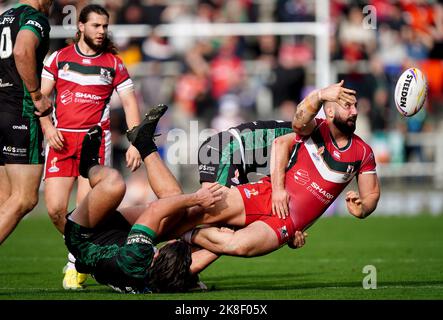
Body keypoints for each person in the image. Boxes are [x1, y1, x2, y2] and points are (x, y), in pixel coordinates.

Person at [149, 81, 380, 262]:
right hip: (267, 194)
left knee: (238, 245)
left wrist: (363, 208)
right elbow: (292, 129)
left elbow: (371, 195)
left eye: (355, 106)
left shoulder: (363, 153)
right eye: (347, 106)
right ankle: (139, 237)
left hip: (288, 223)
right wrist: (319, 95)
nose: (354, 111)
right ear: (329, 112)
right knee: (199, 211)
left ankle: (180, 239)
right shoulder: (315, 128)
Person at [65, 106, 223, 293]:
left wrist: (197, 198)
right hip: (117, 240)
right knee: (176, 207)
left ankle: (89, 167)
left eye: (170, 246)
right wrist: (229, 235)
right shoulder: (162, 280)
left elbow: (157, 209)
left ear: (156, 257)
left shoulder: (138, 256)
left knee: (115, 185)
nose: (171, 241)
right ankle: (144, 142)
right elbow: (210, 253)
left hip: (84, 237)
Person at [39, 4, 142, 289]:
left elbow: (131, 102)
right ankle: (82, 252)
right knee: (56, 211)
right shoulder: (58, 58)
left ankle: (76, 264)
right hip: (60, 141)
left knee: (86, 210)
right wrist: (47, 128)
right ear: (81, 27)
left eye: (105, 26)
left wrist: (135, 143)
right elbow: (41, 97)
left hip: (93, 144)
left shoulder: (114, 63)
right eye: (96, 25)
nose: (101, 31)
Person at [0, 0, 53, 245]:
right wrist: (36, 96)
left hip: (2, 108)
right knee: (24, 198)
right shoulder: (34, 17)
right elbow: (22, 50)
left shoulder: (4, 17)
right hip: (19, 110)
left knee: (5, 198)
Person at [198, 120, 293, 187]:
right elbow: (280, 143)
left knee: (213, 206)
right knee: (218, 207)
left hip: (222, 148)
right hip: (224, 150)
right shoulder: (301, 136)